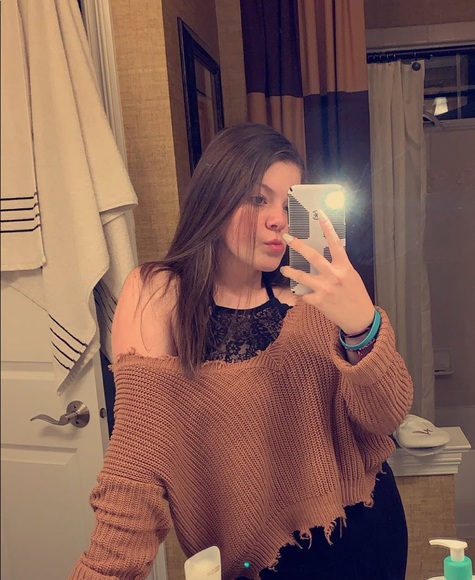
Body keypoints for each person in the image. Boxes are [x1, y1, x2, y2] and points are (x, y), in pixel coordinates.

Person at [69, 122, 413, 580]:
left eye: (288, 204)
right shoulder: (158, 294)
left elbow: (385, 418)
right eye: (257, 199)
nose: (278, 220)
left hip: (370, 534)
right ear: (214, 197)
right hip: (260, 565)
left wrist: (361, 326)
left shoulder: (315, 298)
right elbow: (136, 463)